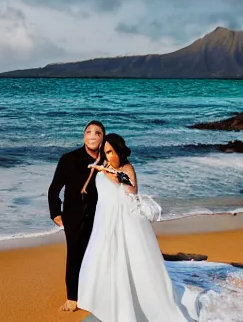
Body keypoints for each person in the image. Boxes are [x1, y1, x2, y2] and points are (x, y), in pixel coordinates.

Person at [77, 134, 186, 322]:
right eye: (105, 152)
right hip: (105, 221)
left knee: (131, 259)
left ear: (119, 151)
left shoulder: (126, 168)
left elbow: (132, 191)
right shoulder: (102, 169)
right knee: (103, 259)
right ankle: (106, 301)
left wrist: (113, 175)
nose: (108, 156)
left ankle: (133, 304)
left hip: (125, 220)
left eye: (111, 152)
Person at [48, 120, 105, 313]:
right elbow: (54, 189)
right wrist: (55, 212)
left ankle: (93, 292)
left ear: (103, 138)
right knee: (75, 255)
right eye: (89, 132)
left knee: (96, 255)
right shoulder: (69, 159)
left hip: (99, 215)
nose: (92, 136)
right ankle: (72, 297)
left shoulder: (107, 160)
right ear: (83, 136)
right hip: (73, 216)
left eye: (97, 133)